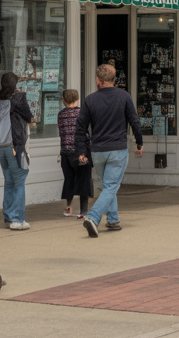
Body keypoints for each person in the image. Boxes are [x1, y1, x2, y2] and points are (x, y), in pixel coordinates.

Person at [76, 64, 143, 237]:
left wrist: (82, 151)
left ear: (98, 80)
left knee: (107, 186)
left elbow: (80, 127)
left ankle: (113, 219)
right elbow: (134, 121)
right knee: (111, 186)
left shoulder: (90, 100)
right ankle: (93, 217)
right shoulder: (124, 96)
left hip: (97, 150)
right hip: (117, 149)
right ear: (114, 79)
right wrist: (139, 142)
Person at [0, 71, 33, 230]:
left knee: (9, 181)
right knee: (20, 180)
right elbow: (28, 116)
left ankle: (9, 215)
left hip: (0, 147)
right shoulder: (18, 97)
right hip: (14, 145)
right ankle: (17, 219)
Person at [57, 89, 92, 219]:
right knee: (84, 180)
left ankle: (69, 207)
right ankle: (83, 211)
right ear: (77, 100)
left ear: (64, 101)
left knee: (69, 179)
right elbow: (87, 132)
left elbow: (62, 133)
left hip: (65, 152)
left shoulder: (61, 114)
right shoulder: (82, 113)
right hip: (80, 151)